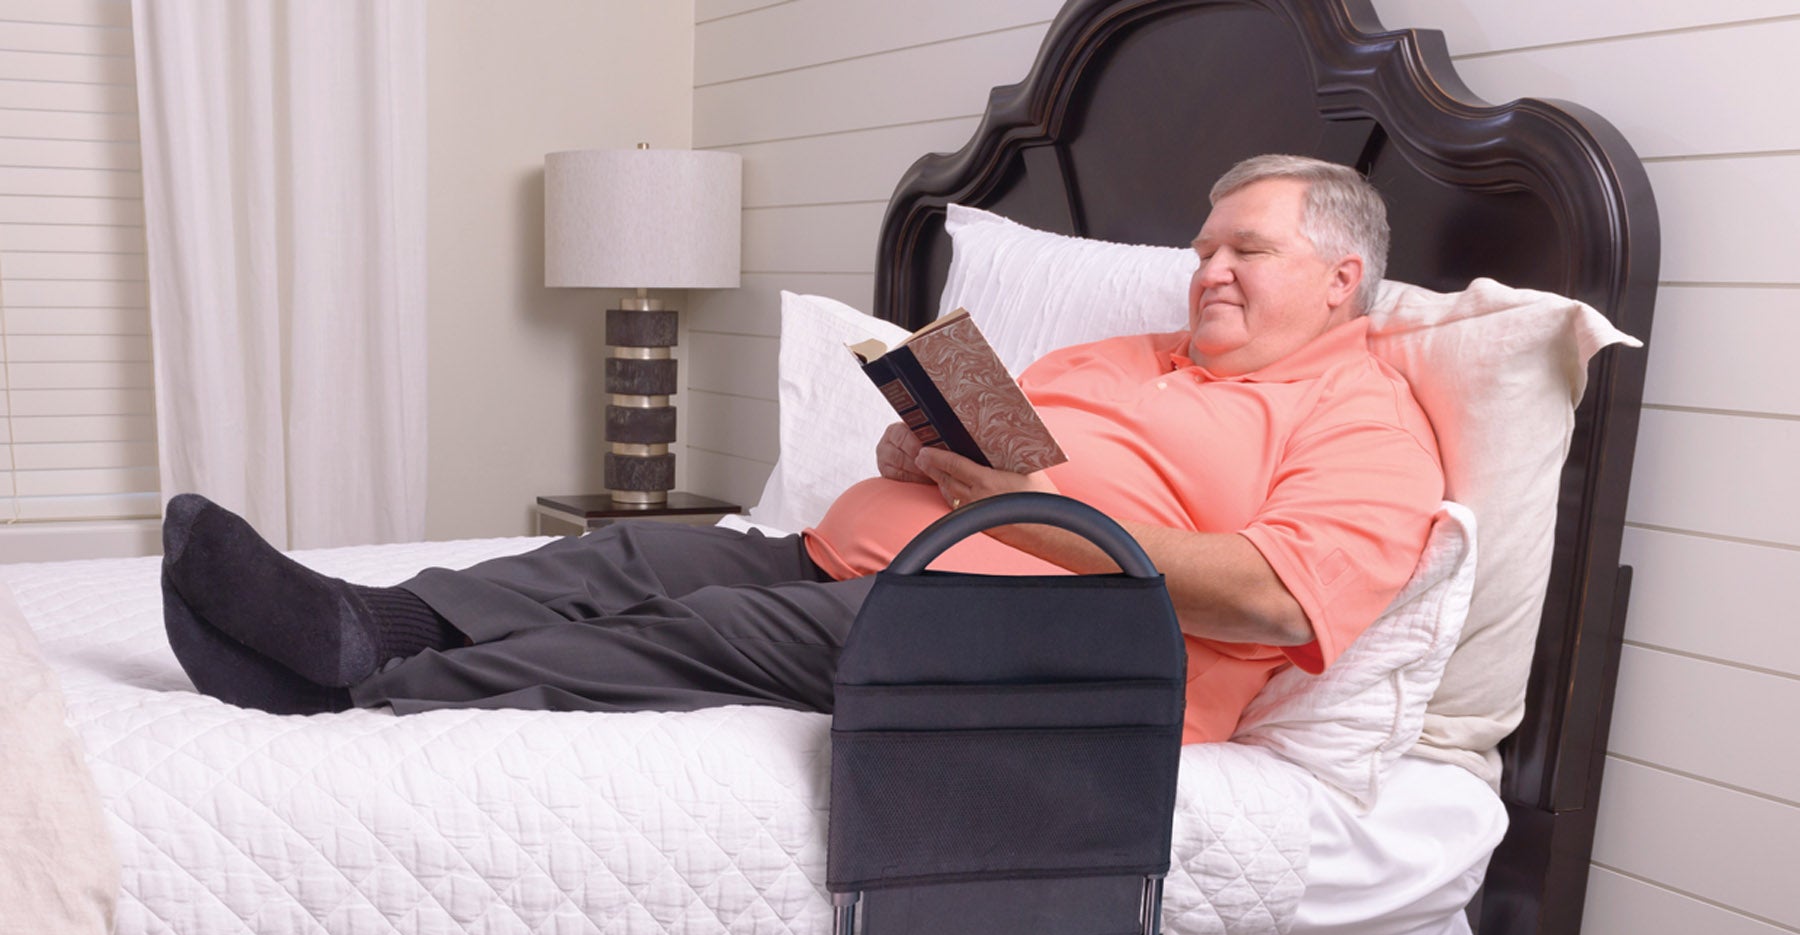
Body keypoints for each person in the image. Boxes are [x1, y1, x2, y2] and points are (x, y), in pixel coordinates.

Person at [162, 154, 1443, 744]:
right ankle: (361, 624)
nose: (1208, 269)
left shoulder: (1362, 413)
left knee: (704, 633)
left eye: (1245, 250)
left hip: (1056, 645)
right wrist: (918, 445)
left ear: (1341, 276)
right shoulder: (1125, 355)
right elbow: (951, 456)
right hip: (863, 557)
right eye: (1205, 247)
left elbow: (1278, 598)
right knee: (630, 557)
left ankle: (361, 704)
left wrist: (1021, 505)